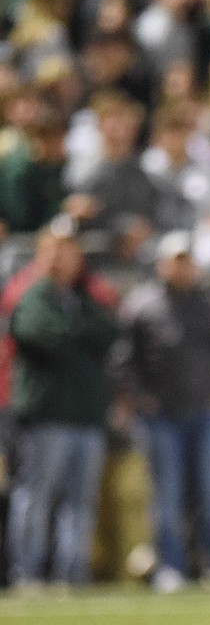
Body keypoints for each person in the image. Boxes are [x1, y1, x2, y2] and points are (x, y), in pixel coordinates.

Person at [112, 229, 210, 592]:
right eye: (175, 261)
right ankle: (171, 566)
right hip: (160, 416)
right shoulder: (141, 305)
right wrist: (141, 398)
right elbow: (123, 358)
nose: (181, 268)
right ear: (162, 265)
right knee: (166, 495)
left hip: (203, 412)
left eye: (186, 261)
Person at [5, 217, 120, 587]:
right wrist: (82, 341)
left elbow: (110, 333)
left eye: (67, 251)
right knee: (36, 495)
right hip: (47, 415)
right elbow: (43, 336)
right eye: (53, 250)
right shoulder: (31, 294)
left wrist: (79, 337)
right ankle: (28, 570)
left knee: (80, 502)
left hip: (86, 413)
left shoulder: (87, 297)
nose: (60, 258)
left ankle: (72, 571)